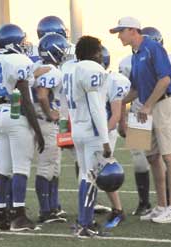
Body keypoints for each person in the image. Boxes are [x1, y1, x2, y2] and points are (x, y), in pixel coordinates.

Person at [111, 17, 171, 224]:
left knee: (168, 156)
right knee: (151, 157)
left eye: (121, 31)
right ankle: (161, 206)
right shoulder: (134, 55)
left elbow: (166, 80)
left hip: (162, 103)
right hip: (145, 106)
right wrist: (117, 103)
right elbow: (134, 88)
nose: (119, 36)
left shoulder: (152, 47)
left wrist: (148, 105)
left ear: (133, 30)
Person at [0, 24, 45, 232]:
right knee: (21, 168)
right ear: (14, 42)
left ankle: (1, 215)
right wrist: (38, 131)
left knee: (2, 169)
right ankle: (19, 217)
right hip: (17, 116)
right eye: (22, 41)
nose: (25, 44)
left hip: (0, 115)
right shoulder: (19, 61)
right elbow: (25, 98)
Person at [61, 35, 111, 237]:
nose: (101, 54)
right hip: (91, 130)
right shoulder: (92, 69)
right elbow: (96, 107)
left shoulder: (70, 68)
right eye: (99, 50)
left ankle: (83, 221)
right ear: (94, 52)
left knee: (84, 175)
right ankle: (86, 223)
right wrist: (105, 139)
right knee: (91, 176)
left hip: (78, 127)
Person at [33, 33, 70, 223]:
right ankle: (45, 211)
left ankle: (53, 207)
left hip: (48, 122)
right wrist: (50, 113)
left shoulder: (39, 67)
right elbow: (41, 95)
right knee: (47, 166)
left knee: (54, 166)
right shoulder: (51, 71)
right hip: (46, 122)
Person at [100, 46, 130, 228]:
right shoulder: (92, 78)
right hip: (95, 130)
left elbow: (116, 114)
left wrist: (102, 135)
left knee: (104, 168)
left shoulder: (114, 80)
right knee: (92, 170)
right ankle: (116, 209)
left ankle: (118, 210)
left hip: (106, 131)